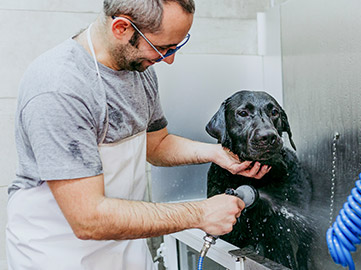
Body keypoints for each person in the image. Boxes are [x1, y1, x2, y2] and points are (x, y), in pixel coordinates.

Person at [5, 0, 271, 269]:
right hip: (58, 252)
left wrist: (215, 154)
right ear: (121, 28)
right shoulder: (60, 88)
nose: (169, 59)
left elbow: (156, 145)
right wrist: (199, 213)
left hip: (124, 244)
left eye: (177, 45)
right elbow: (88, 219)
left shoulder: (139, 72)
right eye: (162, 47)